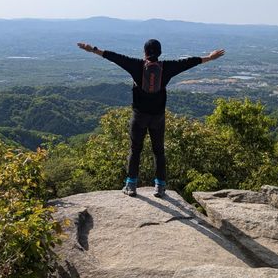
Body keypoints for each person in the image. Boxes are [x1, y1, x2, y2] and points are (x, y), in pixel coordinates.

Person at [77, 39, 225, 198]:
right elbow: (189, 62)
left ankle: (131, 185)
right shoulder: (167, 67)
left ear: (145, 52)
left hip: (139, 116)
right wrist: (210, 57)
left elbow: (114, 57)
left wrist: (92, 49)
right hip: (158, 118)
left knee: (135, 150)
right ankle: (160, 187)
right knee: (159, 151)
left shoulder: (136, 65)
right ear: (160, 53)